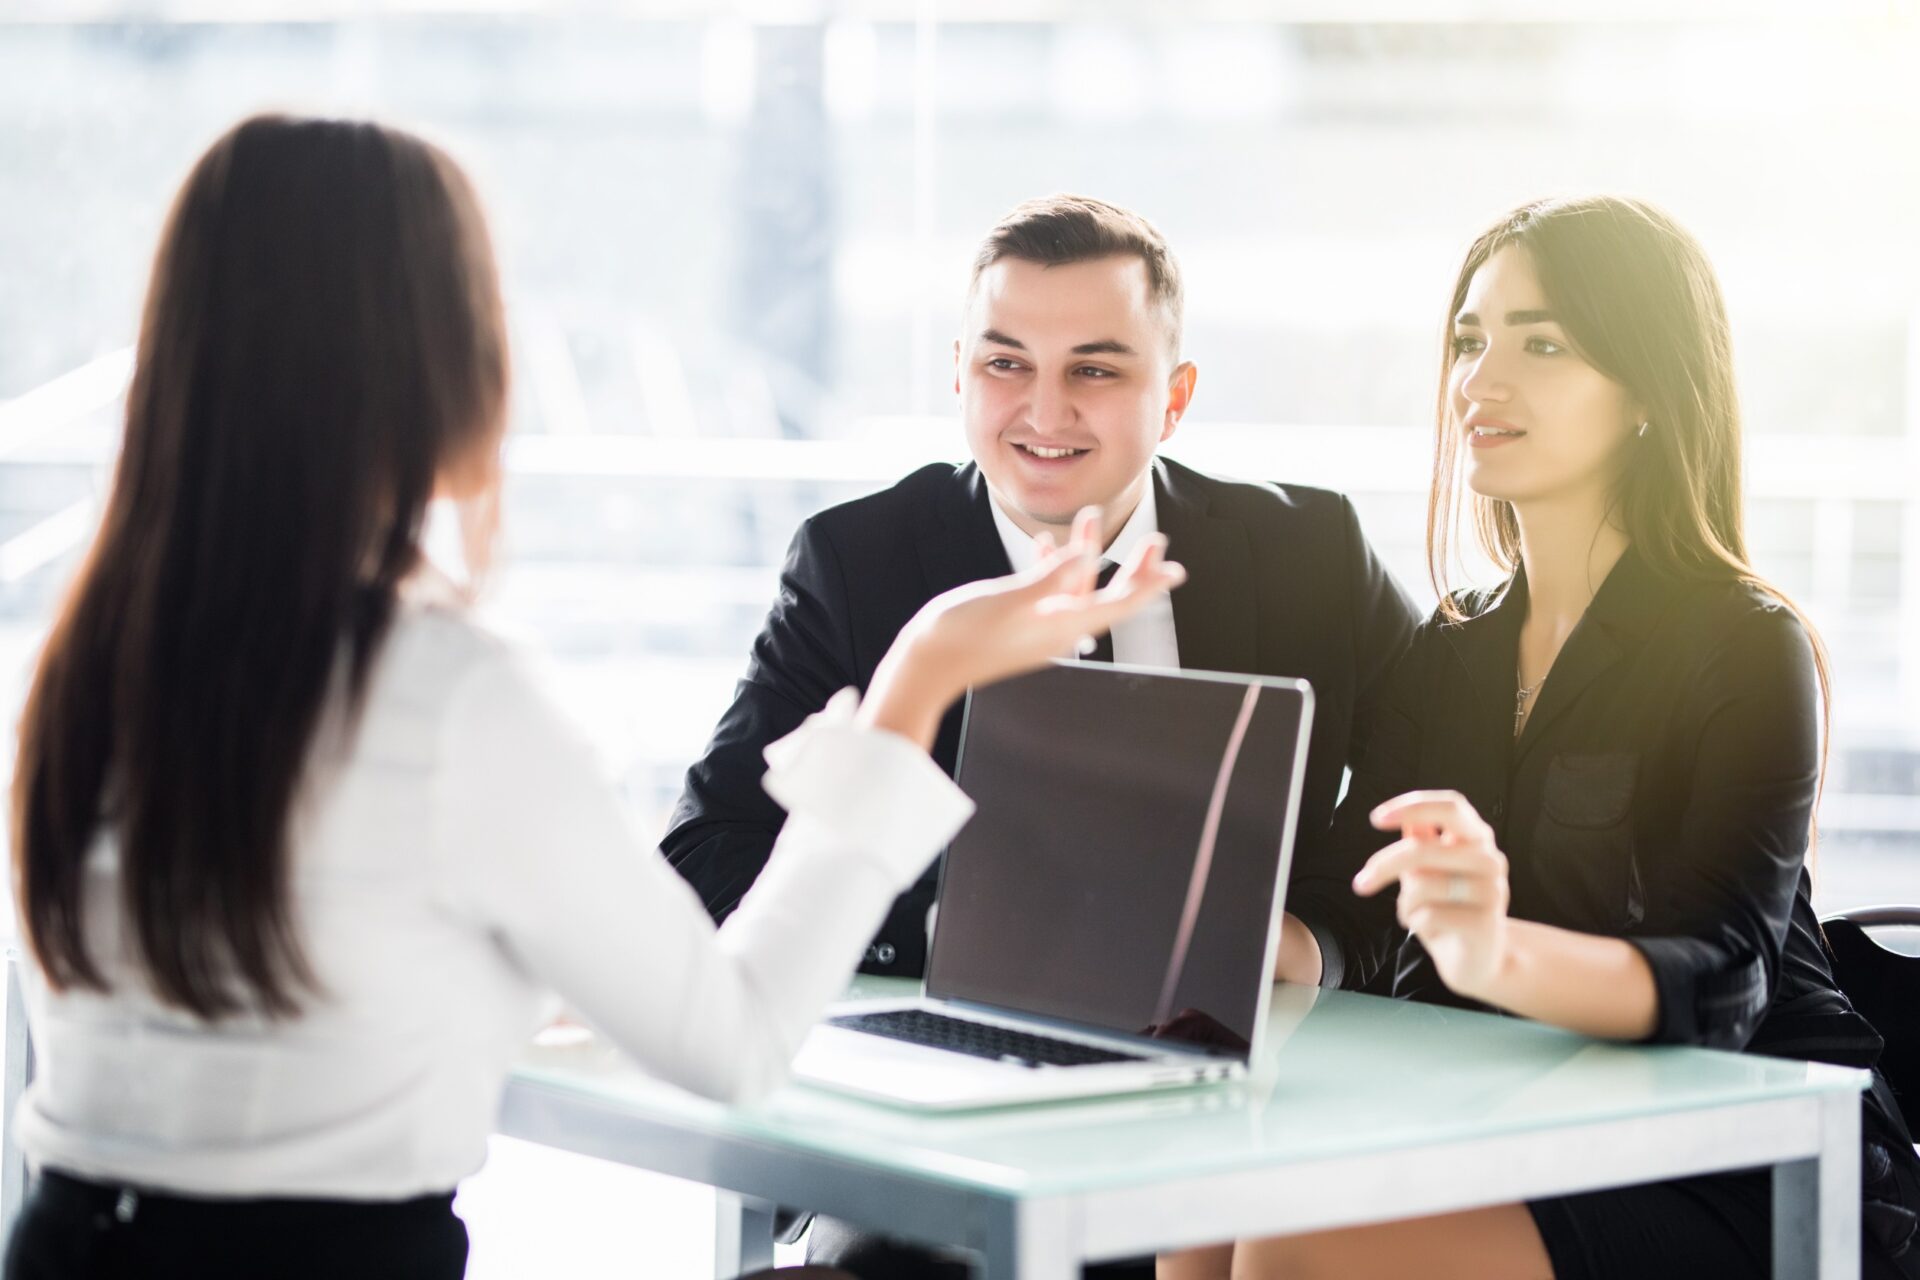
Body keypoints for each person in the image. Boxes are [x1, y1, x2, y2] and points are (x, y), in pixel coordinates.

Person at [2, 115, 1182, 1280]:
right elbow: (733, 1043)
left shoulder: (86, 668)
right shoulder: (446, 692)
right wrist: (918, 677)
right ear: (442, 362)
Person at [662, 194, 1419, 1280]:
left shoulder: (1310, 553)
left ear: (1177, 396)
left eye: (1097, 370)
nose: (1044, 409)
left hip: (1241, 1116)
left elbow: (1430, 796)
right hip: (940, 1130)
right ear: (959, 372)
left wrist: (1307, 939)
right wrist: (961, 935)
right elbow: (705, 857)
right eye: (1006, 364)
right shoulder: (857, 563)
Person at [1168, 197, 1920, 1279]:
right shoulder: (1451, 646)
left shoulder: (1748, 648)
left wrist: (1494, 950)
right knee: (1202, 1190)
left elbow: (1721, 983)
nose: (1479, 379)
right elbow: (1353, 907)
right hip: (1524, 1111)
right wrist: (1225, 947)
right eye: (1471, 340)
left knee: (1295, 1243)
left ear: (1651, 390)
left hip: (1742, 1155)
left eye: (1544, 342)